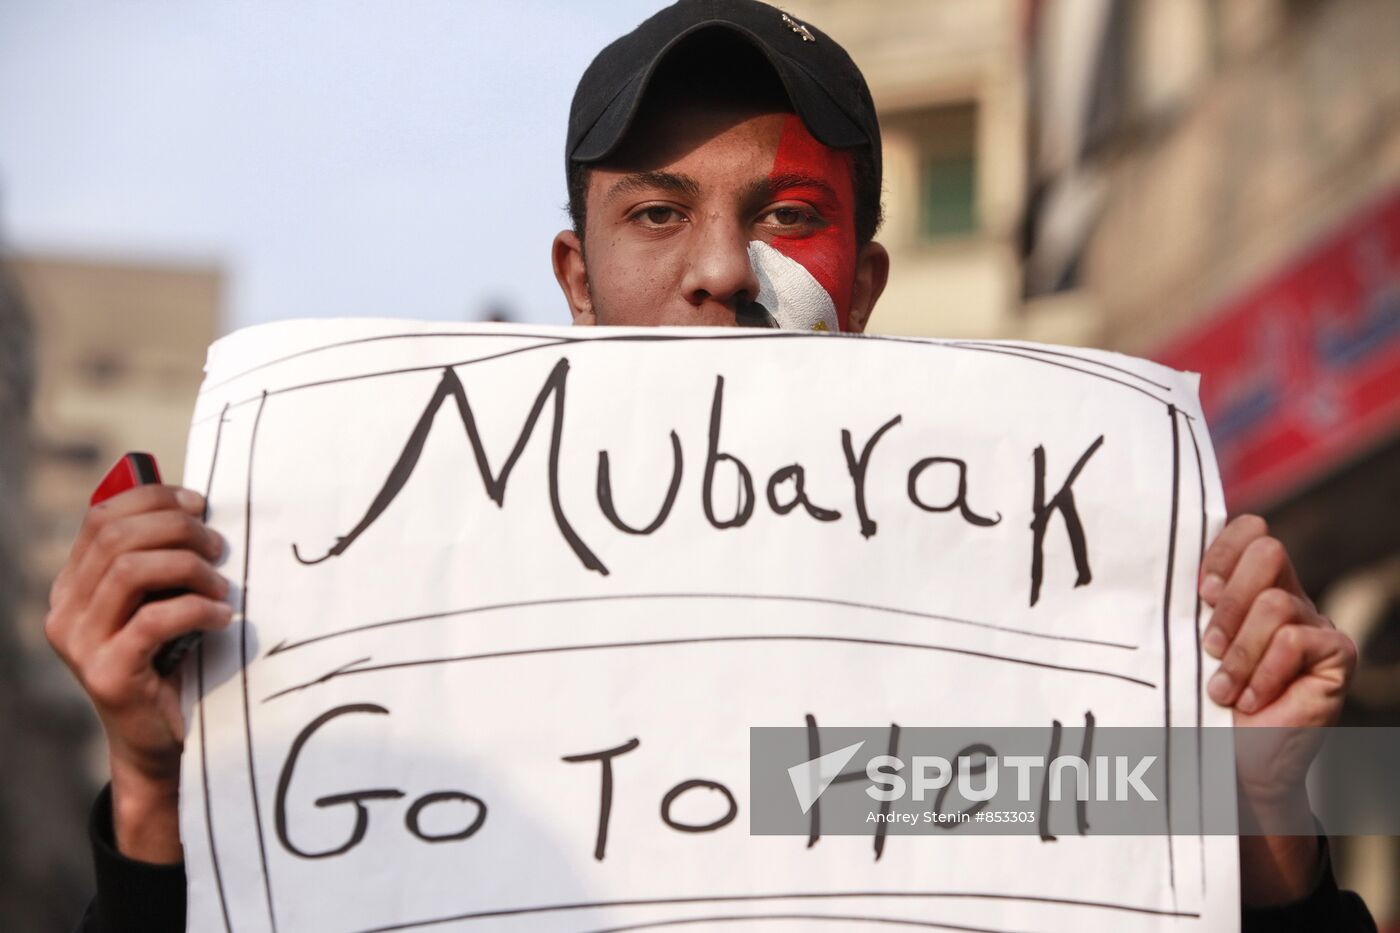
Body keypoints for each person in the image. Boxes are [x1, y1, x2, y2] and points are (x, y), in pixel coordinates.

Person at [49, 2, 1375, 931]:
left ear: (863, 280)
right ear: (578, 276)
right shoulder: (397, 632)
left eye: (789, 214)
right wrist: (161, 787)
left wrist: (1260, 822)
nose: (724, 269)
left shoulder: (1019, 625)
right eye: (657, 212)